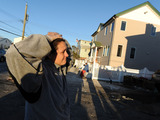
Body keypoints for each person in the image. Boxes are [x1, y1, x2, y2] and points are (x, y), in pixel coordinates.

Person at [5, 32, 71, 120]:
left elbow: (70, 56)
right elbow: (13, 53)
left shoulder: (61, 69)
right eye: (63, 52)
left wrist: (60, 39)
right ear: (50, 54)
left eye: (66, 51)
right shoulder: (41, 72)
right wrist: (47, 39)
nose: (67, 54)